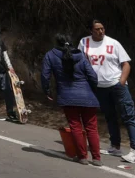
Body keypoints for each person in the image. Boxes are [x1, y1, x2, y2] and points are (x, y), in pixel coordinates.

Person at [80, 20, 135, 164]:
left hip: (116, 85)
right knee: (110, 116)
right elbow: (82, 63)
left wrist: (121, 82)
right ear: (91, 31)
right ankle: (115, 146)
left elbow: (126, 64)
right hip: (99, 87)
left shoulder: (113, 43)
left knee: (128, 116)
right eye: (97, 29)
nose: (101, 31)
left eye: (102, 28)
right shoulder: (84, 43)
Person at [43, 34, 102, 166]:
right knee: (92, 128)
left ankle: (82, 157)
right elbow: (92, 76)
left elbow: (45, 75)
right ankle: (97, 158)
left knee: (76, 127)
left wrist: (47, 91)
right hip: (88, 96)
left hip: (67, 96)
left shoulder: (50, 55)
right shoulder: (80, 55)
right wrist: (93, 91)